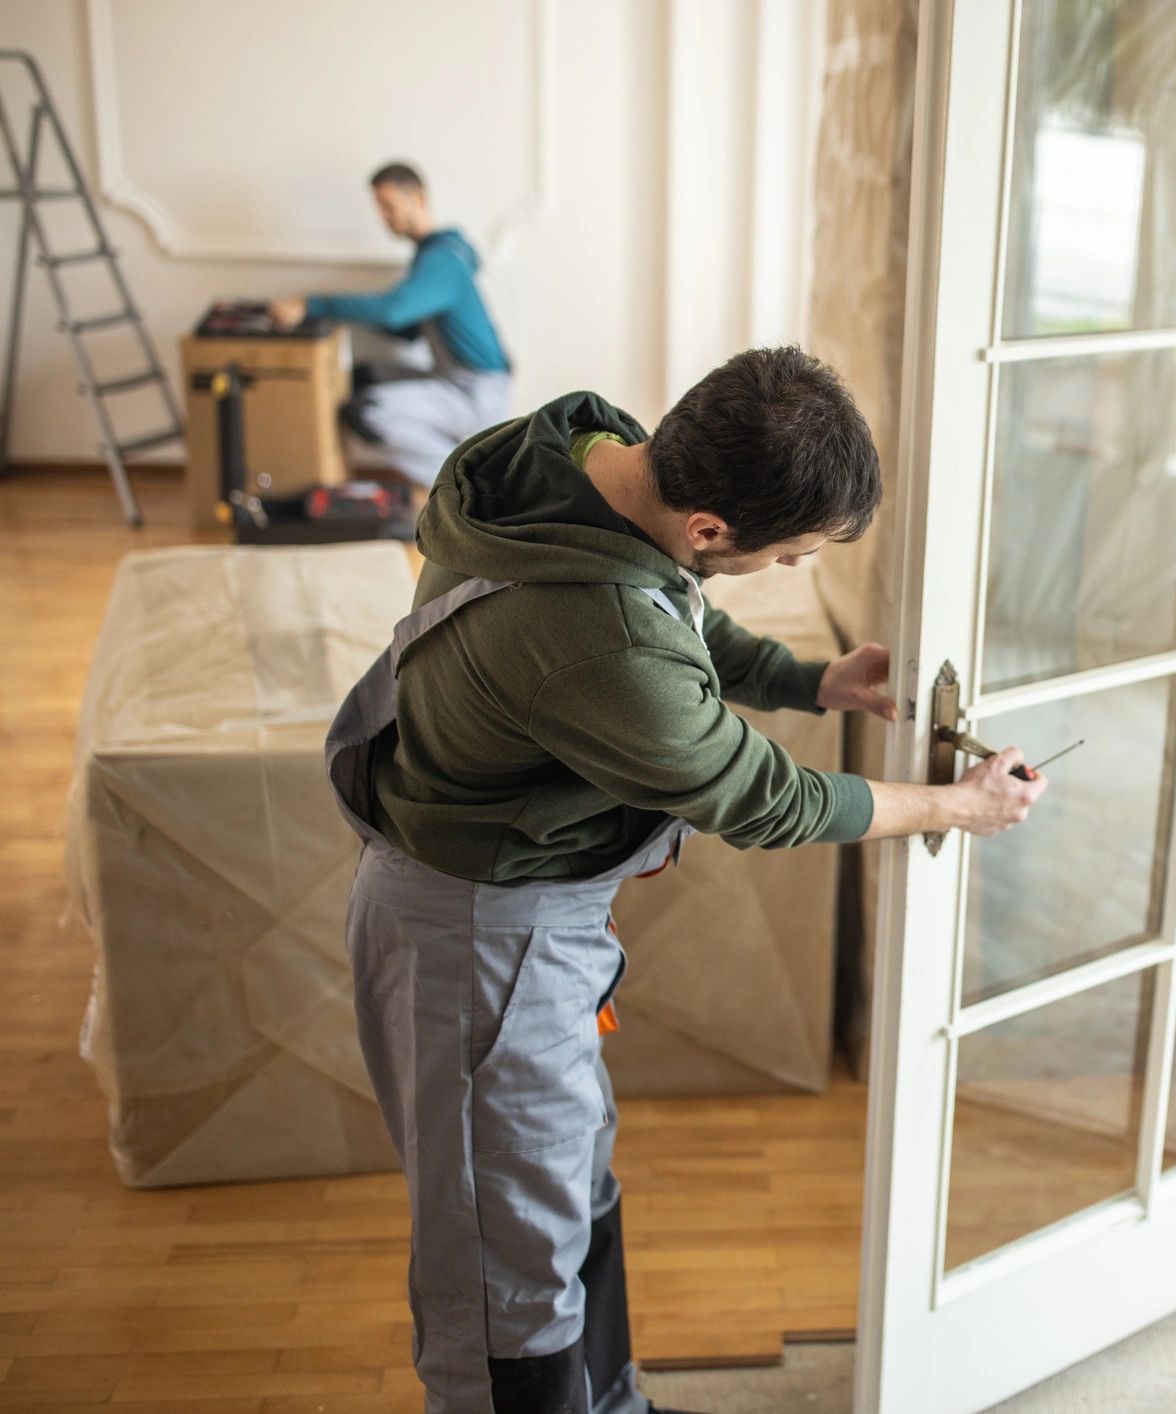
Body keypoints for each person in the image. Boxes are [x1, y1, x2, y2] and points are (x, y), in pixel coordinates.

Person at [325, 346, 1047, 1413]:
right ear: (709, 526)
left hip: (524, 920)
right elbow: (767, 799)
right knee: (503, 1269)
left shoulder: (574, 450)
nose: (796, 570)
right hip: (479, 945)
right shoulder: (597, 643)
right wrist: (953, 806)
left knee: (567, 1194)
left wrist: (812, 679)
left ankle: (609, 1404)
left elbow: (679, 611)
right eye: (791, 552)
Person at [270, 162, 512, 487]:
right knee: (361, 377)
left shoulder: (442, 260)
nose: (383, 218)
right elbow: (407, 330)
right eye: (379, 210)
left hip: (476, 392)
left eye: (389, 207)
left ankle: (470, 485)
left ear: (418, 199)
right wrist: (348, 316)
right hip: (454, 378)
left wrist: (313, 304)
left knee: (367, 412)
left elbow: (393, 312)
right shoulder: (436, 255)